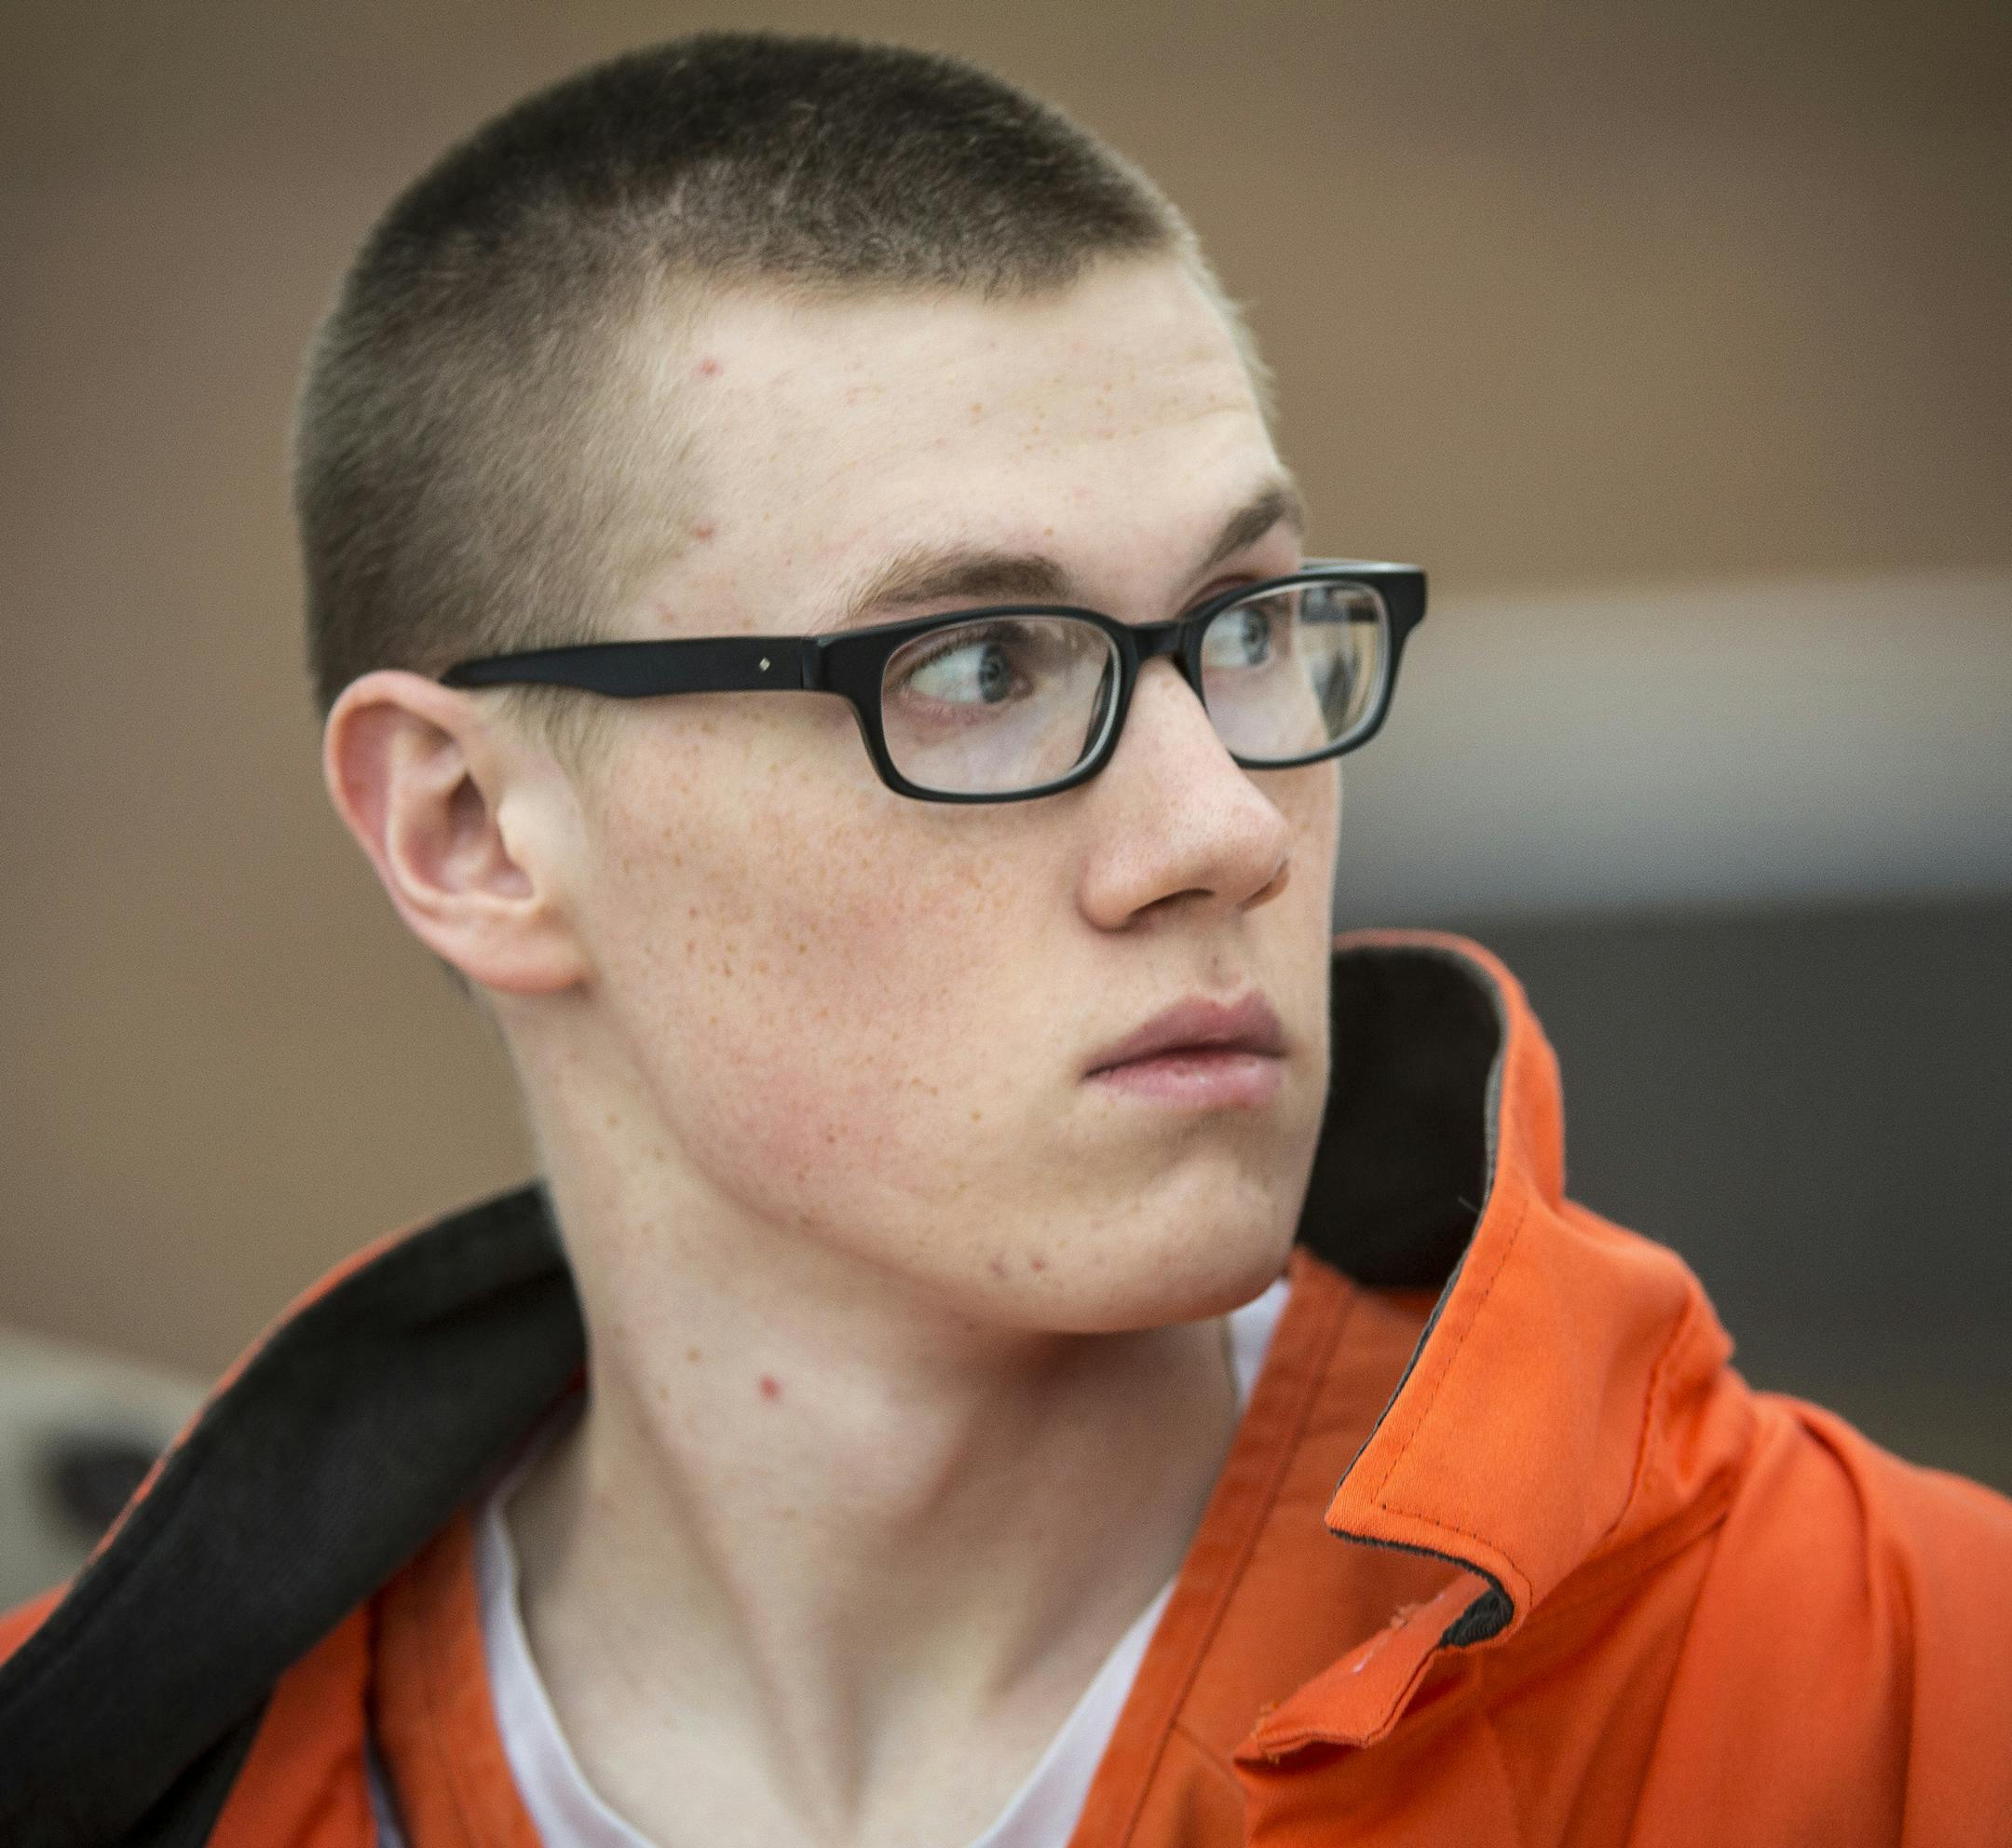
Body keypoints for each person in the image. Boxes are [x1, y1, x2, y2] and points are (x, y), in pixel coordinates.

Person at [4, 30, 2008, 1848]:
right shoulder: (130, 1781)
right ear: (471, 833)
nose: (1221, 825)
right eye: (974, 664)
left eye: (1244, 626)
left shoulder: (1910, 1693)